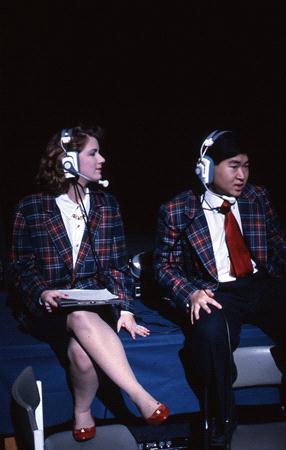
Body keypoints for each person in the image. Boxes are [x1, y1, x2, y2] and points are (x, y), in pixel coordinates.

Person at [9, 124, 169, 442]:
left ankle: (82, 412)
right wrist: (41, 291)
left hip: (94, 302)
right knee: (78, 316)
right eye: (93, 153)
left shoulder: (107, 205)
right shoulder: (30, 208)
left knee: (81, 352)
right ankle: (139, 395)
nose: (102, 159)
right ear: (67, 161)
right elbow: (18, 267)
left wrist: (125, 309)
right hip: (48, 307)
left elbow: (117, 266)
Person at [154, 129, 286, 448]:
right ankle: (221, 423)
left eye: (246, 166)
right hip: (216, 292)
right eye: (233, 166)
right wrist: (191, 293)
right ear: (207, 168)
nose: (242, 175)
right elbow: (163, 266)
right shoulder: (177, 209)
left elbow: (276, 243)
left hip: (260, 285)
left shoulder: (257, 197)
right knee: (212, 333)